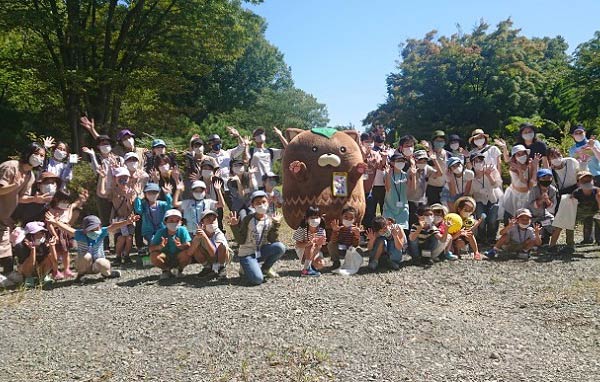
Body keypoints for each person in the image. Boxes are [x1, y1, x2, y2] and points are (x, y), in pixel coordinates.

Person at [45, 212, 135, 282]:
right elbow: (68, 229)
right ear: (84, 230)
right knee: (85, 256)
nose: (94, 231)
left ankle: (107, 273)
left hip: (97, 264)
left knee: (102, 262)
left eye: (96, 228)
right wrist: (56, 222)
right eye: (91, 230)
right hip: (85, 265)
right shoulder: (80, 234)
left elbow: (113, 226)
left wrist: (127, 222)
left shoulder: (102, 232)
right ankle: (80, 275)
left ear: (100, 226)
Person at [0, 142, 45, 276]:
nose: (39, 158)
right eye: (36, 154)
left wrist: (34, 199)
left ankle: (8, 276)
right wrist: (15, 185)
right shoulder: (11, 166)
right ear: (28, 153)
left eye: (42, 156)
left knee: (5, 247)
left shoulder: (30, 175)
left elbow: (21, 197)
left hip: (4, 217)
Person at [229, 190, 286, 286]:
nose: (261, 205)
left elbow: (272, 240)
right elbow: (241, 240)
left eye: (263, 202)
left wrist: (276, 224)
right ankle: (245, 267)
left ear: (268, 203)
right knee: (257, 280)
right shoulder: (248, 219)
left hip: (261, 251)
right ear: (252, 205)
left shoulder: (269, 220)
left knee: (280, 247)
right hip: (247, 253)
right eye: (257, 203)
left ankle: (266, 268)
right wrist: (234, 226)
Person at [82, 134, 123, 249]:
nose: (105, 146)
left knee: (117, 219)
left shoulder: (118, 158)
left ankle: (118, 244)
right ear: (98, 147)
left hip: (116, 193)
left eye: (107, 143)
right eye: (102, 144)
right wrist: (93, 156)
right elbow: (96, 171)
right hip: (102, 192)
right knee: (104, 220)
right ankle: (105, 245)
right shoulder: (98, 159)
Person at [98, 167, 138, 265]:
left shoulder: (132, 191)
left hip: (130, 218)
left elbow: (131, 208)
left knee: (129, 238)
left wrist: (128, 199)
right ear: (115, 178)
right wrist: (102, 178)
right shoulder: (113, 190)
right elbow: (101, 193)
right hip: (118, 218)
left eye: (125, 177)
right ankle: (118, 256)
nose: (123, 180)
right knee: (120, 238)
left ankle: (127, 256)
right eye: (120, 177)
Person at [45, 189, 88, 279]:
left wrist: (81, 198)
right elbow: (49, 224)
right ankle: (55, 271)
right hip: (55, 233)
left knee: (66, 252)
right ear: (56, 200)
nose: (65, 203)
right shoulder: (51, 210)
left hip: (65, 232)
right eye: (63, 201)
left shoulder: (68, 208)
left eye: (67, 201)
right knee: (54, 253)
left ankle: (67, 269)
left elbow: (75, 204)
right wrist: (54, 235)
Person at [206, 127, 247, 208]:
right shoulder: (208, 157)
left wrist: (238, 136)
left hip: (229, 186)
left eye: (218, 142)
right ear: (210, 145)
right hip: (216, 188)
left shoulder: (228, 153)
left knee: (235, 208)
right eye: (214, 143)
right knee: (218, 211)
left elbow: (242, 147)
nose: (217, 144)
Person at [547, 148, 579, 248]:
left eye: (558, 154)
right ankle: (556, 245)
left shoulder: (571, 161)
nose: (556, 158)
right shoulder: (550, 172)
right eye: (553, 156)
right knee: (561, 220)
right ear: (549, 159)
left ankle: (569, 243)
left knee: (570, 219)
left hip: (578, 192)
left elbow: (582, 174)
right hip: (563, 196)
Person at [149, 209, 193, 279]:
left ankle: (179, 270)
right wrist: (159, 247)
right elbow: (151, 248)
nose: (174, 223)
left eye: (177, 221)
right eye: (171, 220)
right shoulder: (160, 232)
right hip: (165, 257)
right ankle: (166, 270)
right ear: (165, 222)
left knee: (187, 254)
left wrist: (180, 246)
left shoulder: (183, 230)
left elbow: (188, 245)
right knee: (153, 256)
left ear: (181, 222)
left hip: (179, 256)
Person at [470, 153, 503, 245]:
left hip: (493, 197)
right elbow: (470, 190)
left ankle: (491, 238)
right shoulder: (470, 174)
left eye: (480, 161)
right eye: (476, 161)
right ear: (472, 163)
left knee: (493, 219)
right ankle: (481, 238)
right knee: (481, 219)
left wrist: (489, 175)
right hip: (479, 200)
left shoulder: (491, 169)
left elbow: (497, 184)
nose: (478, 163)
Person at [189, 210, 232, 280]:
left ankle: (221, 268)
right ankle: (208, 268)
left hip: (221, 256)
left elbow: (213, 253)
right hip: (209, 256)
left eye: (214, 219)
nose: (212, 221)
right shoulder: (199, 233)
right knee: (196, 247)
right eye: (208, 219)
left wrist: (205, 237)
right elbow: (190, 252)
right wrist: (196, 238)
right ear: (202, 222)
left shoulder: (218, 233)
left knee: (222, 246)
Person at [13, 221, 58, 287]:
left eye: (42, 233)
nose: (40, 236)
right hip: (27, 270)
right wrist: (33, 249)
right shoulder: (20, 246)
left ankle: (43, 276)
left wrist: (52, 247)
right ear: (29, 236)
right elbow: (23, 266)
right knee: (27, 262)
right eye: (36, 234)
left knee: (50, 256)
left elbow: (55, 264)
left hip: (40, 268)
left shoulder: (44, 244)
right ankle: (29, 278)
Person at [501, 145, 538, 221]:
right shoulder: (513, 168)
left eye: (523, 153)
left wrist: (535, 166)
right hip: (513, 197)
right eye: (519, 154)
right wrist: (520, 170)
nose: (522, 156)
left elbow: (532, 183)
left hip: (527, 196)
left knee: (526, 220)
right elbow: (523, 183)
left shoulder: (529, 165)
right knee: (512, 220)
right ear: (514, 156)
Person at [407, 149, 442, 222]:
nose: (422, 163)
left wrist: (435, 160)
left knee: (423, 221)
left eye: (424, 161)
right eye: (420, 161)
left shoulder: (427, 168)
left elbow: (439, 174)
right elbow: (413, 188)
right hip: (411, 200)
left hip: (422, 200)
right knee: (413, 220)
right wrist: (413, 174)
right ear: (415, 161)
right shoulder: (411, 171)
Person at [293, 206, 327, 277]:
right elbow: (297, 245)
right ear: (306, 219)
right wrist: (309, 243)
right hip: (302, 251)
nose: (314, 220)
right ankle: (306, 270)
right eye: (312, 218)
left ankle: (311, 266)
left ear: (320, 218)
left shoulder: (321, 230)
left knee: (320, 264)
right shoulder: (302, 229)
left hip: (315, 251)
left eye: (317, 217)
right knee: (311, 245)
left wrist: (319, 244)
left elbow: (319, 246)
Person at [360, 132, 384, 230]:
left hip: (369, 189)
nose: (369, 144)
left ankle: (368, 231)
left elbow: (381, 166)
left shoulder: (375, 155)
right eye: (367, 141)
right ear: (361, 142)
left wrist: (384, 158)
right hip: (358, 189)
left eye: (371, 141)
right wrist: (363, 157)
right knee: (359, 210)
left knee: (370, 211)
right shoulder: (357, 153)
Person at [527, 169, 557, 244]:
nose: (546, 180)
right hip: (531, 215)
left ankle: (546, 236)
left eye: (549, 178)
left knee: (554, 223)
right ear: (538, 179)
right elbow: (532, 206)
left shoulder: (552, 190)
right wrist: (541, 199)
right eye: (543, 178)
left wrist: (547, 200)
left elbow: (551, 206)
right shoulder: (533, 189)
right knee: (529, 228)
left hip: (543, 215)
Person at [382, 153, 411, 230]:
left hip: (403, 209)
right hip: (389, 208)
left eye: (402, 161)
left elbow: (411, 190)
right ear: (392, 162)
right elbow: (388, 189)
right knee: (388, 230)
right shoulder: (387, 174)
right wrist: (388, 175)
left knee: (401, 231)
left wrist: (414, 176)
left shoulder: (406, 175)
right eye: (398, 161)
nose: (401, 163)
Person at [328, 206, 361, 270]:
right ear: (341, 217)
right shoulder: (338, 228)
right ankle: (336, 262)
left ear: (354, 219)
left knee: (358, 249)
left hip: (350, 250)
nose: (348, 219)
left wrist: (357, 236)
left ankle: (351, 263)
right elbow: (333, 241)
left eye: (351, 218)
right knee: (331, 244)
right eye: (346, 217)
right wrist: (335, 231)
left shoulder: (355, 229)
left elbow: (355, 244)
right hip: (340, 250)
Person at [423, 130, 449, 205]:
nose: (439, 143)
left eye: (441, 141)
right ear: (433, 142)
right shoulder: (428, 155)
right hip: (430, 187)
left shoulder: (448, 154)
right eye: (437, 141)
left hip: (444, 187)